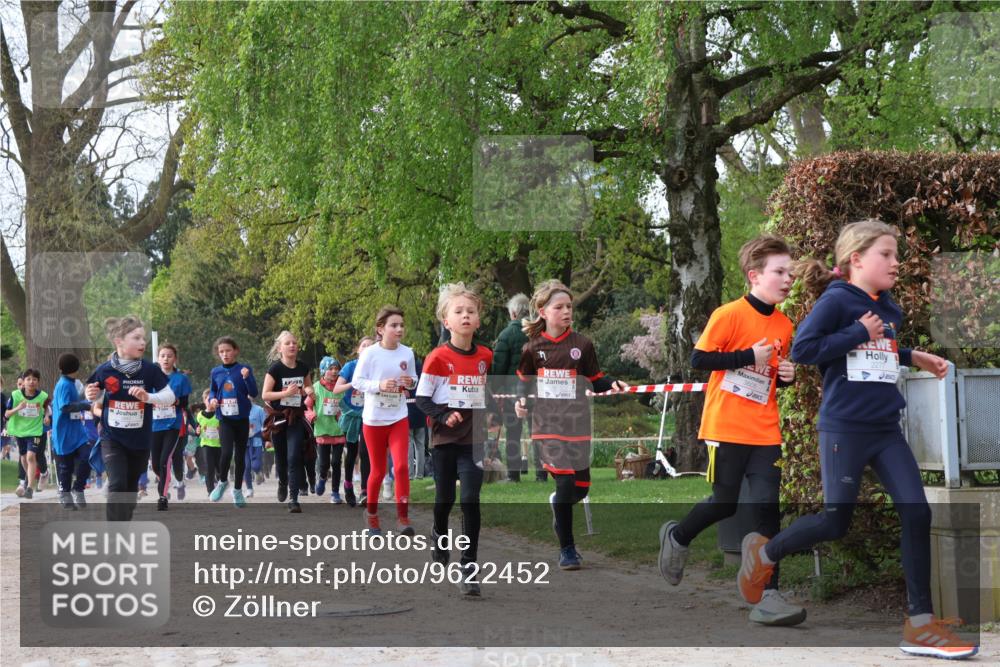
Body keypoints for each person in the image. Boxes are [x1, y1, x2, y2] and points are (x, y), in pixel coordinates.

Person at [736, 220, 977, 660]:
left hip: (886, 429)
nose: (895, 262)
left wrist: (912, 355)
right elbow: (806, 349)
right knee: (835, 522)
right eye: (886, 254)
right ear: (856, 259)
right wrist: (857, 332)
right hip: (844, 429)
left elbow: (875, 351)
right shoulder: (837, 300)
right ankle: (765, 552)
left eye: (895, 254)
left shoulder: (889, 307)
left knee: (917, 512)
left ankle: (920, 623)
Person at [657, 235, 803, 626]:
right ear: (755, 276)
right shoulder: (729, 314)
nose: (788, 278)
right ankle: (678, 537)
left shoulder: (785, 325)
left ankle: (769, 594)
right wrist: (747, 356)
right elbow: (699, 358)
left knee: (767, 509)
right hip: (726, 426)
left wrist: (786, 375)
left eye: (790, 271)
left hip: (765, 431)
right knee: (725, 503)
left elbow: (772, 374)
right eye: (780, 271)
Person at [515, 280, 628, 570]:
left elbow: (596, 378)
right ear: (543, 311)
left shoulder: (583, 344)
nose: (566, 311)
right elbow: (524, 385)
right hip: (546, 425)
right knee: (565, 481)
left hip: (577, 424)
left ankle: (558, 502)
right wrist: (521, 402)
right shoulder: (532, 348)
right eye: (559, 307)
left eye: (569, 307)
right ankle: (567, 549)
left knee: (580, 488)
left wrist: (611, 383)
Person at [415, 283, 495, 596]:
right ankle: (438, 532)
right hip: (445, 440)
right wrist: (443, 415)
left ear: (478, 320)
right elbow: (422, 398)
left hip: (474, 439)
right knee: (444, 500)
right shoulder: (437, 357)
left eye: (470, 312)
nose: (465, 316)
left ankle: (469, 567)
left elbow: (483, 391)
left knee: (471, 500)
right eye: (458, 311)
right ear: (446, 321)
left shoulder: (485, 356)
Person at [85, 316, 174, 521]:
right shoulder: (104, 369)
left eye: (143, 338)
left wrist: (148, 397)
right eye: (136, 338)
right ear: (119, 341)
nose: (143, 342)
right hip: (112, 438)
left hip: (140, 441)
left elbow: (170, 397)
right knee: (116, 485)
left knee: (130, 491)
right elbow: (91, 393)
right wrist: (91, 394)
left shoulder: (150, 370)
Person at [351, 307, 417, 536]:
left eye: (401, 325)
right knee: (377, 471)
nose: (399, 329)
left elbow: (413, 379)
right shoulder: (370, 354)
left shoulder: (407, 353)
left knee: (400, 466)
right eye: (394, 325)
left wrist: (410, 381)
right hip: (374, 419)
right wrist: (379, 385)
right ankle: (371, 516)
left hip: (398, 416)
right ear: (381, 329)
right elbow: (357, 382)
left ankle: (403, 518)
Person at [261, 330, 313, 513]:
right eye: (288, 343)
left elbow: (308, 386)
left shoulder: (303, 367)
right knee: (281, 458)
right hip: (278, 418)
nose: (292, 346)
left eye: (294, 343)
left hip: (296, 417)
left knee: (294, 456)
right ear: (280, 348)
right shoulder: (275, 369)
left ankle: (294, 498)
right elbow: (265, 395)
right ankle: (282, 482)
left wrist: (309, 390)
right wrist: (285, 394)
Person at [207, 336, 259, 507]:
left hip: (242, 418)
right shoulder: (216, 372)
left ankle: (237, 490)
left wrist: (247, 377)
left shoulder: (244, 369)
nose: (225, 354)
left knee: (240, 456)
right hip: (225, 419)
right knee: (226, 452)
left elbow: (254, 392)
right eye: (221, 352)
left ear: (235, 351)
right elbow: (214, 391)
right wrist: (213, 400)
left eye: (228, 350)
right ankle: (222, 482)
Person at [492, 293, 536, 482]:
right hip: (536, 389)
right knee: (538, 433)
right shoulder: (538, 332)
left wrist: (495, 390)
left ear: (513, 313)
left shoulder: (506, 335)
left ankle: (513, 475)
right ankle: (541, 475)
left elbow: (499, 367)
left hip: (512, 391)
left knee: (513, 433)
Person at [334, 336, 375, 507]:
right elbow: (337, 389)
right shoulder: (351, 366)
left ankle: (365, 491)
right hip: (351, 414)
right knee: (351, 453)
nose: (366, 348)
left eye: (370, 346)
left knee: (366, 452)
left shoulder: (376, 368)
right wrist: (354, 383)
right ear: (358, 350)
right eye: (363, 345)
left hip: (370, 414)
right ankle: (348, 484)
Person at [151, 343, 193, 510]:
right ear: (158, 358)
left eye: (169, 356)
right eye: (162, 356)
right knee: (155, 463)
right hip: (154, 425)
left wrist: (171, 400)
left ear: (175, 359)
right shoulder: (151, 378)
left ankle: (162, 496)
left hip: (172, 425)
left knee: (164, 460)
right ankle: (165, 481)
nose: (166, 359)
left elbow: (184, 402)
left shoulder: (181, 379)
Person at [50, 353, 92, 509]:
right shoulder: (64, 385)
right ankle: (64, 494)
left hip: (77, 431)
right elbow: (65, 407)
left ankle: (78, 488)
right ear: (76, 368)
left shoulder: (73, 383)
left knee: (88, 457)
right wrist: (86, 405)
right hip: (63, 433)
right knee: (65, 468)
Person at [5, 369, 51, 500]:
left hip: (35, 431)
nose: (31, 382)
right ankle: (27, 481)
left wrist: (46, 416)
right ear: (23, 382)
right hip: (20, 432)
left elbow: (46, 407)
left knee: (31, 457)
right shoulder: (15, 395)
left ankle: (30, 488)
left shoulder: (43, 396)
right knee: (24, 458)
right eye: (28, 379)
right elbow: (7, 414)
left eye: (34, 379)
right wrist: (19, 408)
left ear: (38, 382)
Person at [308, 356, 348, 503]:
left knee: (337, 463)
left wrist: (345, 413)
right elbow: (307, 405)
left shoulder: (341, 387)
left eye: (337, 369)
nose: (334, 371)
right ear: (323, 371)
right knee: (324, 464)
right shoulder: (316, 387)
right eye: (331, 369)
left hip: (338, 429)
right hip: (322, 430)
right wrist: (311, 414)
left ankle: (335, 493)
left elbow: (347, 404)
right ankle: (323, 477)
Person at [195, 389, 222, 495]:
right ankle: (210, 490)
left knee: (220, 469)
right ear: (204, 401)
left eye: (212, 399)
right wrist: (197, 431)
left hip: (219, 445)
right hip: (206, 445)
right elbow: (198, 429)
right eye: (208, 399)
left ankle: (220, 486)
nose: (211, 401)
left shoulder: (219, 414)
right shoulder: (200, 415)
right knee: (209, 468)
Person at [244, 399, 266, 496]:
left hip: (257, 441)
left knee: (255, 465)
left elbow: (265, 425)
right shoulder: (239, 410)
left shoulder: (259, 410)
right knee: (246, 466)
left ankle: (258, 472)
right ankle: (249, 489)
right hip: (244, 443)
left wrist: (266, 438)